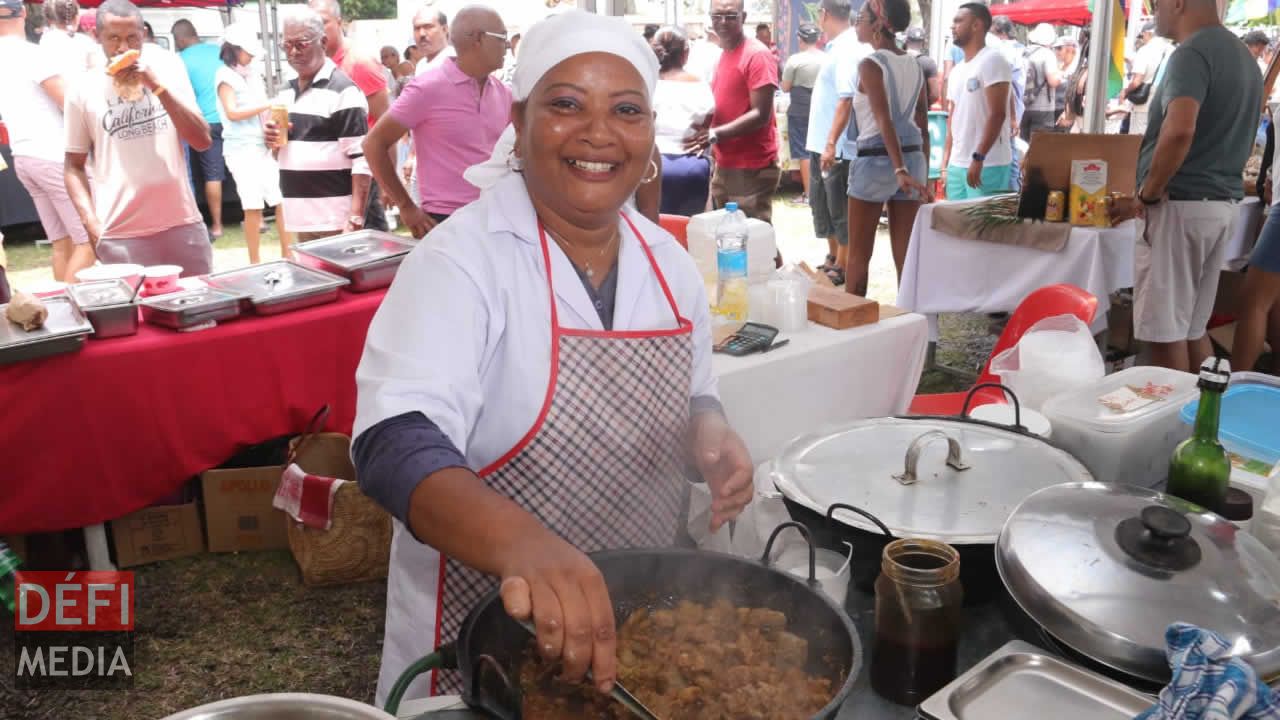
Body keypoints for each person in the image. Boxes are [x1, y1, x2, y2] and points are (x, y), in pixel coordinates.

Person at [353, 8, 753, 703]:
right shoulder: (462, 260)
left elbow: (692, 391)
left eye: (626, 110)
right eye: (566, 105)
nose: (599, 133)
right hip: (481, 637)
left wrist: (707, 430)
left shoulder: (669, 266)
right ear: (519, 119)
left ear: (649, 132)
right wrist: (522, 546)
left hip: (636, 632)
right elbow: (394, 442)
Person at [1110, 0, 1261, 372]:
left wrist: (1146, 194)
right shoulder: (1243, 56)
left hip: (1181, 206)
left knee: (1165, 336)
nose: (1153, 11)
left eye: (1155, 3)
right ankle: (1209, 417)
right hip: (1219, 204)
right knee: (1192, 329)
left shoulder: (1191, 53)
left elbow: (1179, 130)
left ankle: (1178, 427)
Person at [64, 0, 213, 275]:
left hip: (182, 222)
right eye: (114, 39)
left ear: (143, 34)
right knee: (135, 318)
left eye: (132, 38)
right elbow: (73, 165)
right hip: (120, 233)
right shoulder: (82, 89)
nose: (123, 48)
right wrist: (91, 224)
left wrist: (157, 87)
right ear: (97, 38)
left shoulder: (168, 71)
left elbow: (202, 140)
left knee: (199, 310)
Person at [364, 5, 510, 237]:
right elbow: (373, 144)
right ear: (479, 39)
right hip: (446, 221)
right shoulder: (428, 88)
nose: (508, 44)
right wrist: (406, 205)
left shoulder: (503, 92)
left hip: (498, 217)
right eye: (503, 37)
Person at [0, 0, 94, 282]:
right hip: (55, 156)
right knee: (90, 241)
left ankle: (62, 316)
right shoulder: (33, 55)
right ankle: (71, 315)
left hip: (24, 156)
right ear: (25, 13)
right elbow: (68, 104)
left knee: (62, 243)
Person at [264, 7, 371, 242]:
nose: (293, 52)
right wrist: (272, 142)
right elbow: (281, 154)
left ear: (322, 41)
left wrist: (355, 217)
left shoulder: (344, 92)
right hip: (301, 219)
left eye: (301, 44)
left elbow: (363, 160)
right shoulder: (285, 92)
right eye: (286, 45)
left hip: (336, 220)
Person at [844, 0, 928, 297]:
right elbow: (922, 121)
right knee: (907, 256)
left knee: (858, 255)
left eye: (861, 17)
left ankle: (854, 327)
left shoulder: (871, 64)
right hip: (913, 159)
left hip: (878, 163)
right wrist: (921, 173)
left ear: (878, 23)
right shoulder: (915, 64)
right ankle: (913, 327)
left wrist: (899, 169)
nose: (857, 23)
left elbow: (883, 119)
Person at [687, 0, 781, 224]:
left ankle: (781, 262)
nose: (722, 22)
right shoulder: (726, 53)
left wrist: (715, 134)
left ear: (744, 17)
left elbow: (761, 114)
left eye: (730, 16)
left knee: (752, 239)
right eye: (717, 16)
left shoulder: (757, 55)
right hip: (726, 161)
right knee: (733, 236)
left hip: (751, 165)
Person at [310, 0, 391, 233]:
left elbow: (386, 126)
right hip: (326, 177)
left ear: (339, 22)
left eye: (323, 22)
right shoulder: (314, 64)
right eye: (312, 23)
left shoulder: (360, 62)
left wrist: (388, 183)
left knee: (369, 245)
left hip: (362, 173)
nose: (317, 29)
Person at [216, 22, 285, 264]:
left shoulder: (253, 73)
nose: (253, 55)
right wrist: (268, 104)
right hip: (240, 149)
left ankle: (288, 254)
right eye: (248, 51)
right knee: (252, 205)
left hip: (261, 145)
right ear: (234, 49)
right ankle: (254, 261)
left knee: (279, 199)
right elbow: (232, 112)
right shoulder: (224, 76)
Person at [813, 0, 867, 286]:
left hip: (835, 145)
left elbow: (846, 99)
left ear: (823, 15)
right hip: (821, 141)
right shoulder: (836, 46)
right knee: (822, 205)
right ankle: (833, 256)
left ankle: (843, 263)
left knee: (838, 207)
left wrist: (831, 143)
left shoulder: (847, 48)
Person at [942, 3, 1012, 199]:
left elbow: (997, 114)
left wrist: (979, 156)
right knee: (955, 227)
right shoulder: (957, 70)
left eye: (958, 21)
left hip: (988, 163)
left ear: (977, 25)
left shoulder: (993, 60)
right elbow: (953, 118)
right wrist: (945, 164)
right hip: (958, 164)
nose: (952, 26)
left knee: (982, 229)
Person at [651, 25, 715, 216]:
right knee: (689, 233)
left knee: (654, 230)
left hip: (652, 166)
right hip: (691, 167)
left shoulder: (645, 83)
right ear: (685, 54)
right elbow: (705, 127)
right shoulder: (700, 86)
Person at [172, 19, 226, 240]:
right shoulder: (218, 51)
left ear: (180, 39)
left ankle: (216, 226)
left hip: (203, 121)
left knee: (206, 175)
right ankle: (258, 218)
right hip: (228, 118)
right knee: (232, 171)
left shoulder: (179, 60)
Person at [781, 23, 823, 205]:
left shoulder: (795, 61)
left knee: (804, 152)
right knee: (820, 149)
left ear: (800, 39)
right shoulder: (827, 59)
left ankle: (809, 195)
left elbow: (785, 87)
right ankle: (823, 193)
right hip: (822, 108)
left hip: (799, 110)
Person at [1124, 21, 1170, 136]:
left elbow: (1136, 81)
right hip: (1164, 107)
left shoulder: (1146, 50)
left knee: (1136, 145)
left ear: (1147, 34)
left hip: (1143, 107)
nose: (1142, 39)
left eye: (1142, 36)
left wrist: (1125, 91)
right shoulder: (1173, 50)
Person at [1022, 23, 1062, 140]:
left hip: (1023, 106)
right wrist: (1060, 74)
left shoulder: (1023, 52)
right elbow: (1053, 81)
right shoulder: (1047, 54)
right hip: (1043, 107)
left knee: (1024, 147)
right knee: (1039, 147)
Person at [41, 0, 96, 78]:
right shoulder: (85, 42)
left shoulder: (45, 40)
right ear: (77, 18)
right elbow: (94, 71)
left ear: (49, 19)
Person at [414, 3, 453, 76]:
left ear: (444, 29)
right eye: (417, 28)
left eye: (428, 27)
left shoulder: (455, 62)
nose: (421, 33)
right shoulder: (421, 64)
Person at [905, 26, 940, 107]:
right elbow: (935, 95)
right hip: (921, 115)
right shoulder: (929, 63)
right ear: (924, 43)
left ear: (906, 41)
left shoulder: (895, 60)